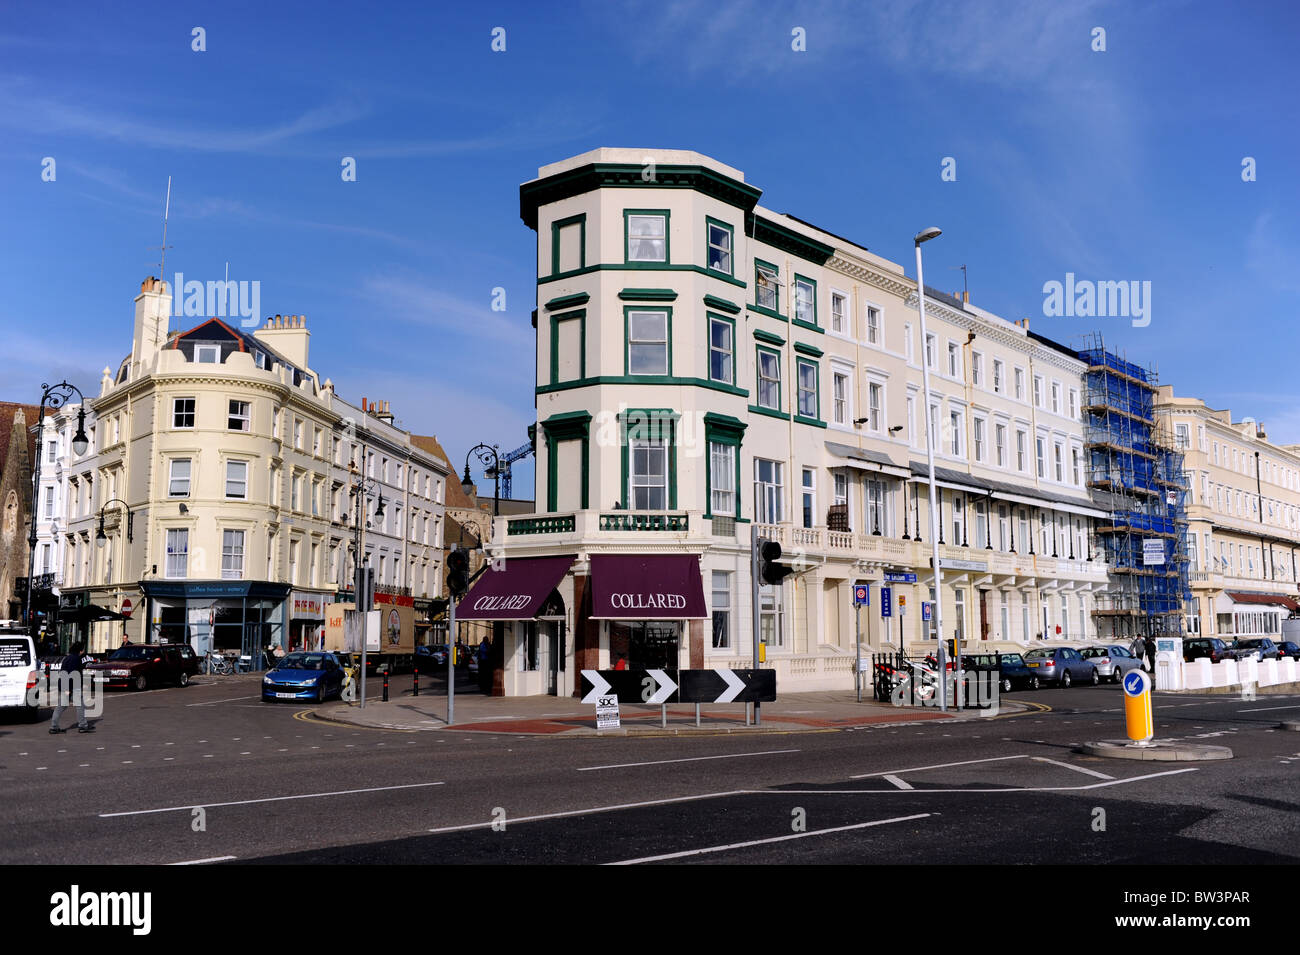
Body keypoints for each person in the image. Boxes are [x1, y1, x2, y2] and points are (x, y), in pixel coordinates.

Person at [50, 641, 93, 734]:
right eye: (83, 649)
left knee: (61, 707)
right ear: (80, 650)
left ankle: (54, 727)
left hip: (66, 685)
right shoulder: (76, 659)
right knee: (79, 706)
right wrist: (67, 689)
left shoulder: (67, 658)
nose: (83, 651)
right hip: (72, 687)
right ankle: (83, 725)